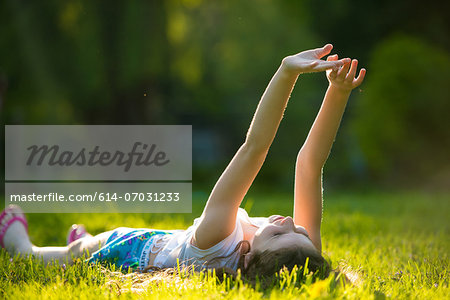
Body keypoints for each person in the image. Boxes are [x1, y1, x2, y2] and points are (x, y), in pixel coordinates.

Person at [0, 44, 365, 282]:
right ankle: (83, 239)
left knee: (72, 256)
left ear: (244, 254)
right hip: (167, 245)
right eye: (300, 232)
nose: (290, 223)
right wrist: (338, 92)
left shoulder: (217, 239)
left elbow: (255, 147)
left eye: (278, 232)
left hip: (131, 250)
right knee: (85, 246)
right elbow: (309, 164)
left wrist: (286, 72)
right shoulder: (301, 253)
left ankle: (17, 240)